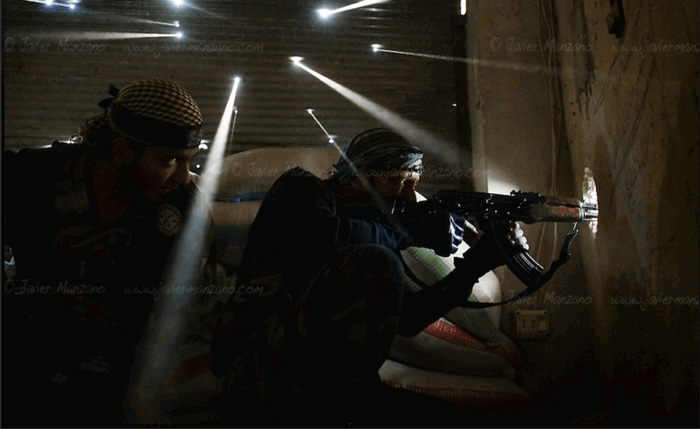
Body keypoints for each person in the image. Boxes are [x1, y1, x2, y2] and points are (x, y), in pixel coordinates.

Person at [212, 127, 529, 427]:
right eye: (401, 182)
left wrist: (476, 265)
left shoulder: (370, 238)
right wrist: (406, 232)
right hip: (261, 366)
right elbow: (321, 236)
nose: (409, 197)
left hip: (333, 386)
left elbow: (408, 319)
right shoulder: (300, 188)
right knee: (380, 259)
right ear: (361, 178)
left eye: (413, 185)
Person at [2, 79, 218, 427]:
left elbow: (178, 311)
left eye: (189, 161)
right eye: (170, 160)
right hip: (27, 341)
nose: (184, 177)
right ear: (120, 150)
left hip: (119, 357)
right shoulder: (35, 176)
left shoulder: (184, 212)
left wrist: (143, 389)